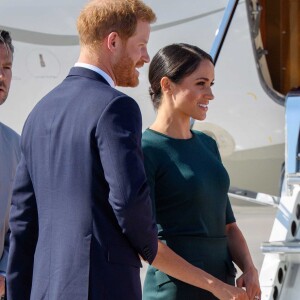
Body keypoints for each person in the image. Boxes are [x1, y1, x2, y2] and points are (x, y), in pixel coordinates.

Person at [6, 1, 251, 298]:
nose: (146, 57)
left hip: (46, 289)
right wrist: (152, 252)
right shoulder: (116, 107)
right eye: (141, 45)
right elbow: (127, 202)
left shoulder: (39, 112)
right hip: (104, 286)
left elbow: (22, 219)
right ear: (113, 41)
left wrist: (18, 292)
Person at [142, 43, 261, 300]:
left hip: (225, 287)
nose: (210, 94)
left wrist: (249, 269)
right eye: (201, 83)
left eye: (211, 84)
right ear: (167, 85)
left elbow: (228, 226)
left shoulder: (208, 144)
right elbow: (148, 244)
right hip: (176, 293)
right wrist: (215, 287)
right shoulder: (144, 150)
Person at [0, 30, 20, 300]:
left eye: (6, 67)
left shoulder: (15, 145)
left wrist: (5, 272)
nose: (2, 77)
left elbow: (19, 223)